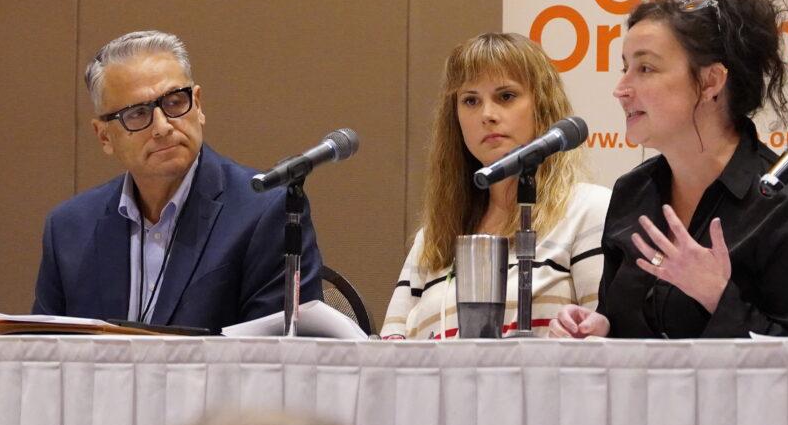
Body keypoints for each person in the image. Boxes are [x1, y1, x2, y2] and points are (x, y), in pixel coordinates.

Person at [550, 0, 788, 339]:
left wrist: (717, 297)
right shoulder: (632, 194)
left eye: (645, 68)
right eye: (625, 67)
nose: (621, 88)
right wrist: (600, 327)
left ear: (710, 82)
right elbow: (622, 321)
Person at [32, 30, 323, 332]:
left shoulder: (265, 211)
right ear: (104, 136)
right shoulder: (69, 229)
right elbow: (44, 357)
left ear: (198, 104)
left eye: (174, 102)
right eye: (137, 114)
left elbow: (273, 361)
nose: (162, 127)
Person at [381, 33, 610, 339]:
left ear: (541, 106)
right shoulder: (432, 239)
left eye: (506, 96)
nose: (487, 115)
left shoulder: (589, 211)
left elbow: (605, 345)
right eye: (470, 100)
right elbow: (390, 350)